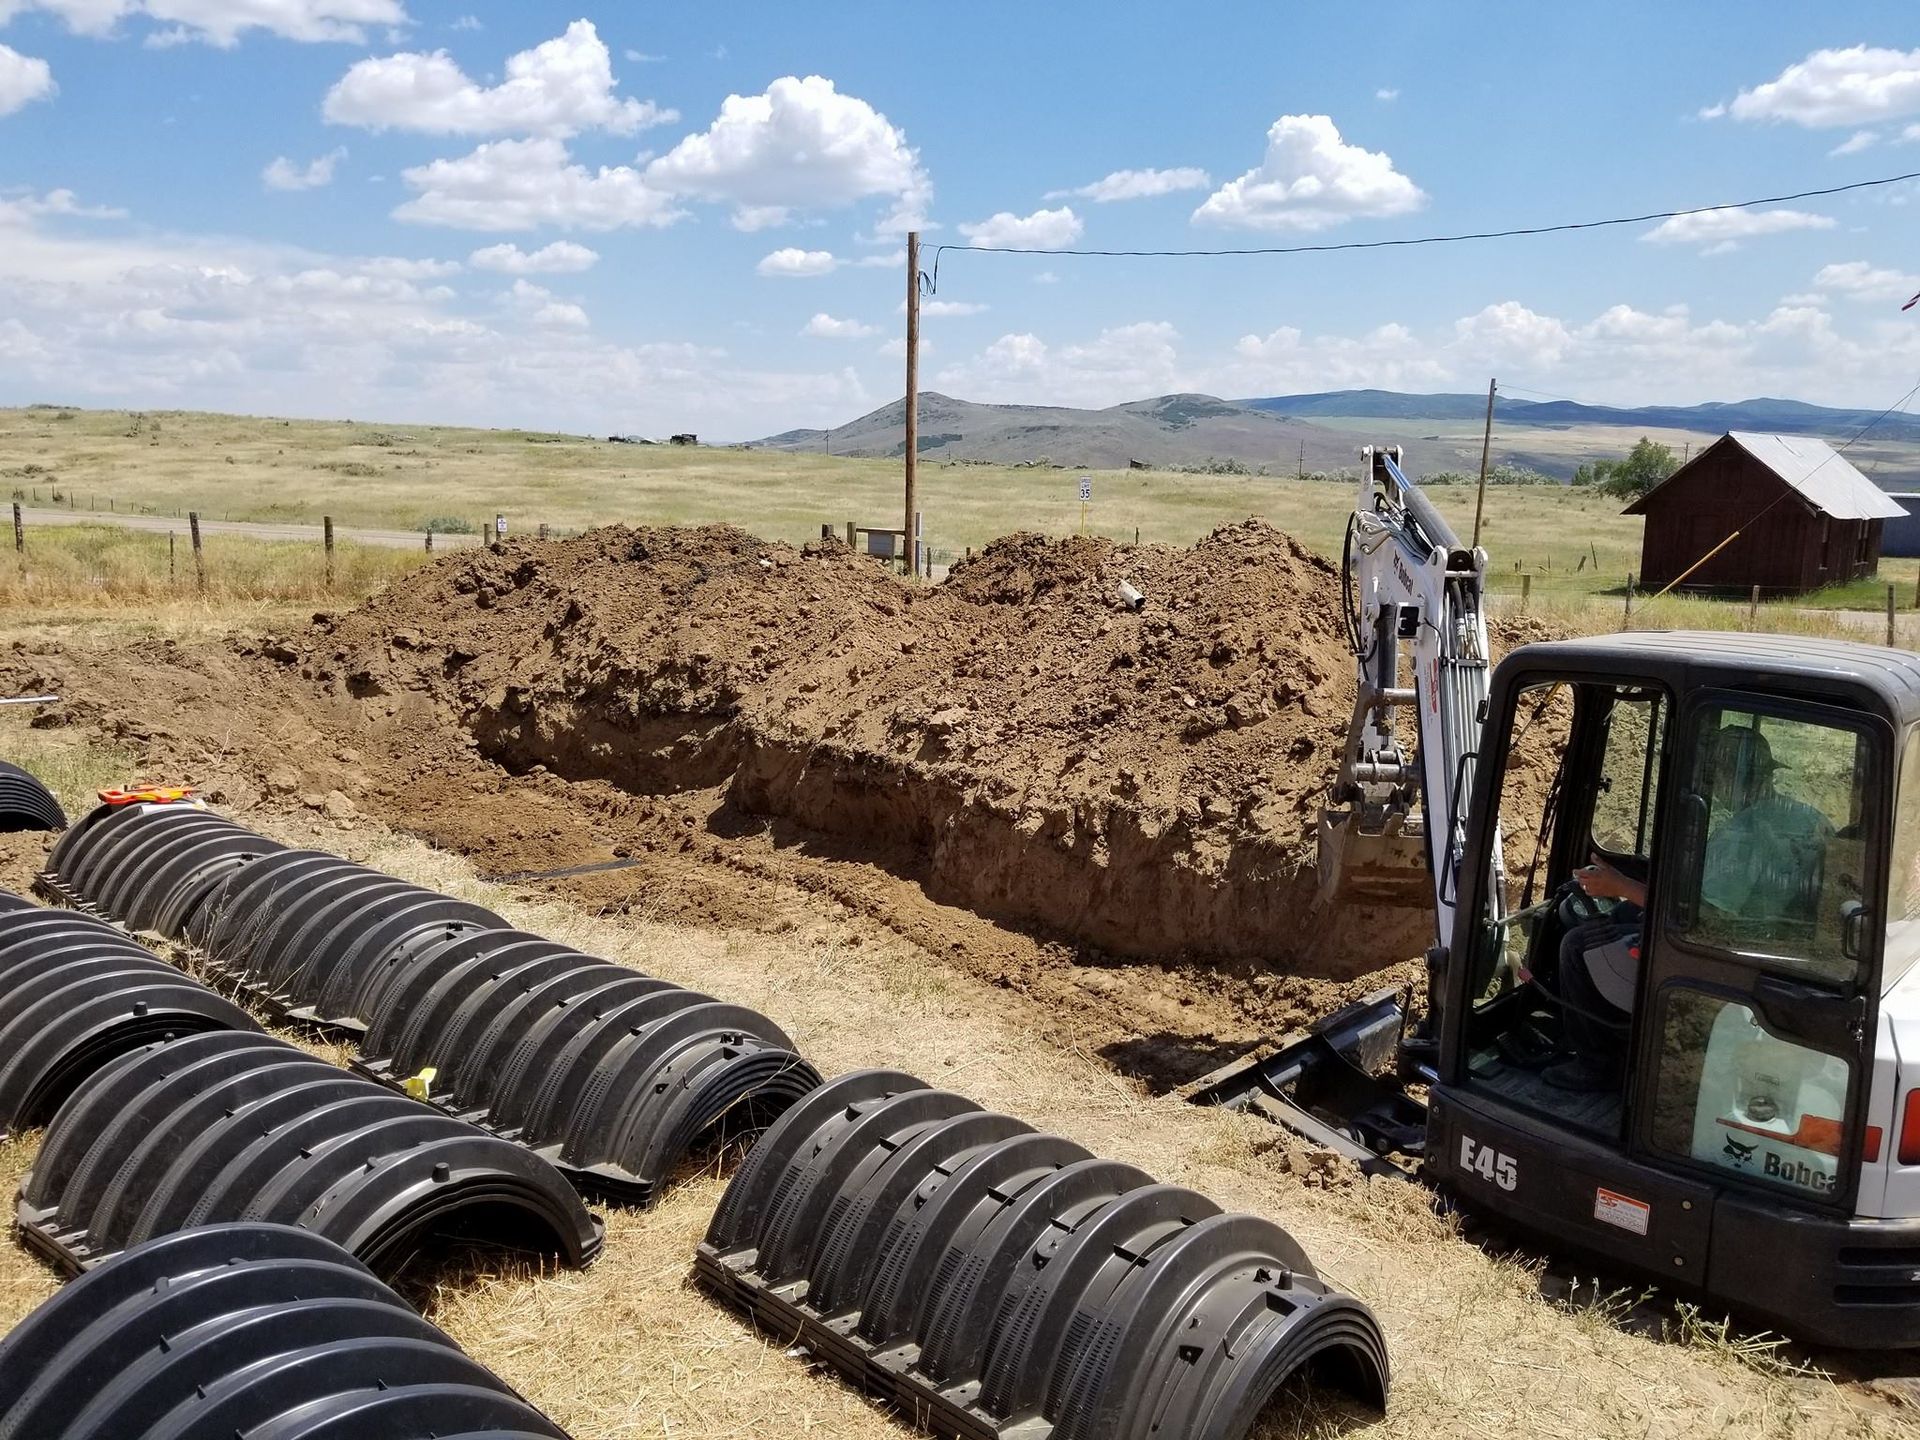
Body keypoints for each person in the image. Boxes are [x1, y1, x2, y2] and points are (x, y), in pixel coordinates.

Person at [1698, 726, 1833, 928]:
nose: (1713, 785)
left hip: (1753, 937)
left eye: (1713, 775)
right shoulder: (1811, 818)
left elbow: (1714, 916)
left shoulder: (1738, 834)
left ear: (1730, 777)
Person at [1542, 852, 1645, 1092]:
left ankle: (1595, 1064)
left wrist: (1623, 885)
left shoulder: (1739, 841)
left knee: (1575, 945)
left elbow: (1692, 911)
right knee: (1620, 913)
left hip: (1694, 947)